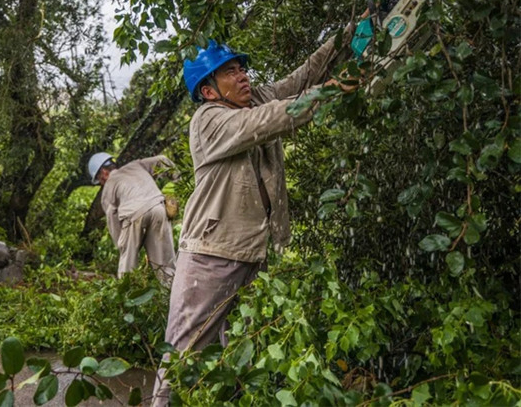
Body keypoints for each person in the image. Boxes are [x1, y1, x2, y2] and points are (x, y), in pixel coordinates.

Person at [151, 24, 355, 406]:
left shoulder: (255, 99)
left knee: (242, 351)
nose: (242, 75)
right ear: (209, 91)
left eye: (241, 68)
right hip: (211, 255)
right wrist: (327, 94)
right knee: (183, 356)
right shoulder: (209, 120)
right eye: (230, 71)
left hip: (251, 251)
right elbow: (267, 120)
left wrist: (349, 34)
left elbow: (303, 76)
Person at [88, 152, 177, 287]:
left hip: (134, 215)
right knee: (166, 265)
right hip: (158, 208)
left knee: (127, 268)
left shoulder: (107, 188)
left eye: (100, 180)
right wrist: (177, 181)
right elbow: (163, 160)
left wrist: (122, 245)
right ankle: (172, 296)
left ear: (104, 173)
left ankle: (126, 298)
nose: (101, 183)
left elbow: (112, 218)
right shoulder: (137, 165)